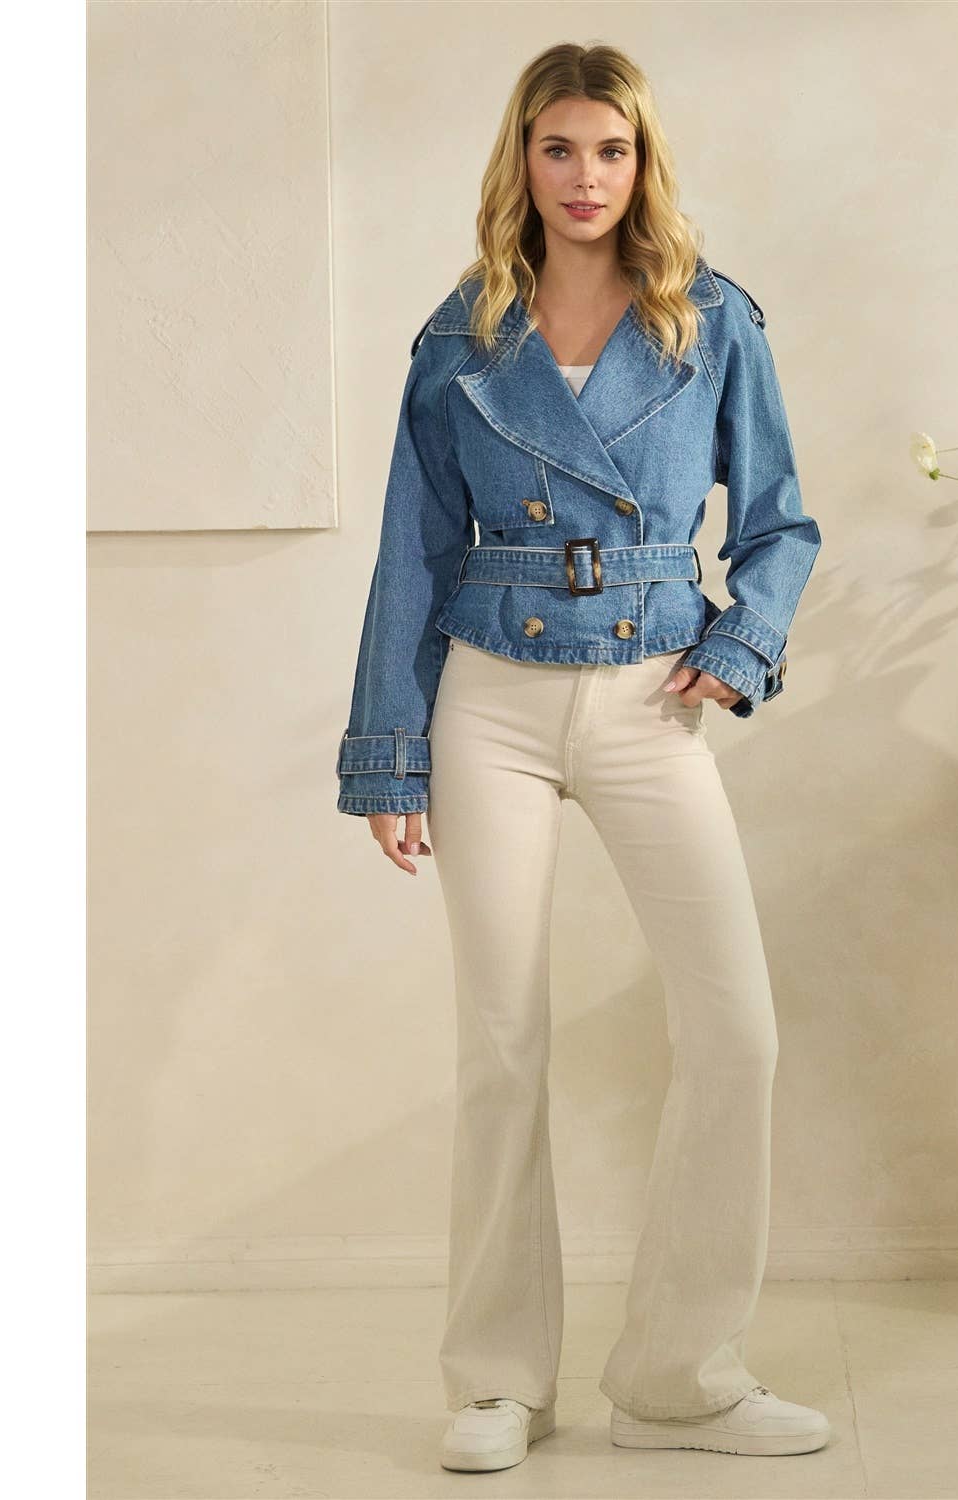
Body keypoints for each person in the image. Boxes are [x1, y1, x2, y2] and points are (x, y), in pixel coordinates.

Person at [335, 41, 829, 1473]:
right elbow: (412, 556)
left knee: (737, 1031)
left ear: (642, 161)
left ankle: (680, 1376)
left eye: (611, 149)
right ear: (524, 160)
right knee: (501, 1041)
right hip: (487, 698)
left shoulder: (710, 319)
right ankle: (499, 1380)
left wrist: (740, 645)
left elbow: (782, 523)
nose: (586, 176)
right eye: (560, 148)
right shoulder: (459, 338)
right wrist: (391, 755)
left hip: (649, 695)